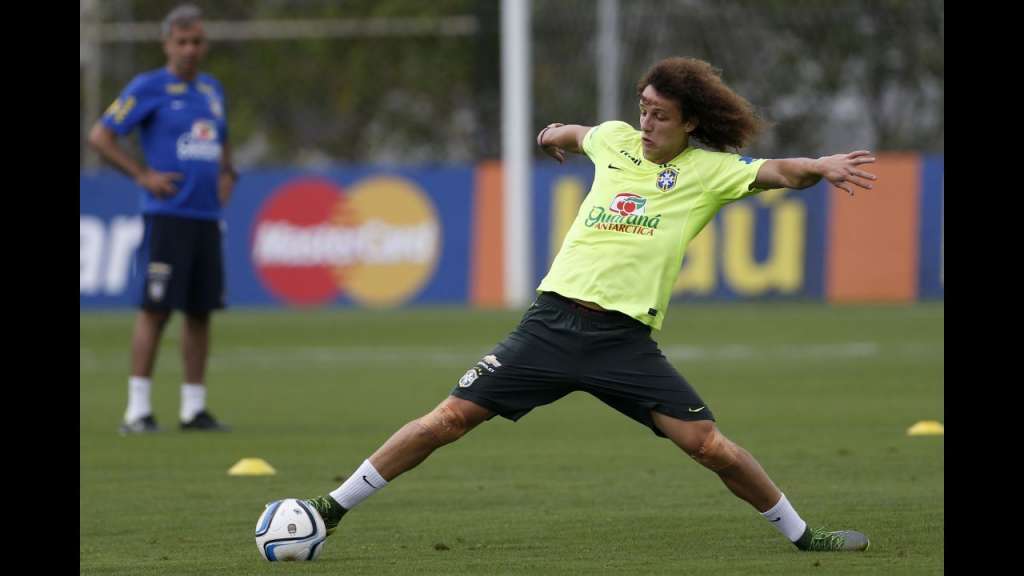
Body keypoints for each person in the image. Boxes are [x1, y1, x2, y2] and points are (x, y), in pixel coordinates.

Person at [301, 57, 877, 552]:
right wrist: (550, 134)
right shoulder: (615, 141)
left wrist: (818, 167)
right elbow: (579, 134)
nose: (647, 123)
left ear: (691, 122)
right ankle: (333, 507)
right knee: (448, 419)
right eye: (644, 108)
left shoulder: (710, 173)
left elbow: (779, 171)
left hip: (623, 344)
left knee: (708, 446)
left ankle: (805, 536)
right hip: (549, 326)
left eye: (661, 115)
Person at [88, 4, 235, 434]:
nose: (190, 50)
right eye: (182, 42)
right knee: (155, 309)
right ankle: (137, 409)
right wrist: (142, 175)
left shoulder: (212, 90)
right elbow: (101, 135)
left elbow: (223, 143)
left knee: (200, 311)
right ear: (167, 44)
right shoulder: (148, 86)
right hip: (167, 216)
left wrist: (229, 172)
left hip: (205, 217)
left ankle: (193, 408)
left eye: (197, 42)